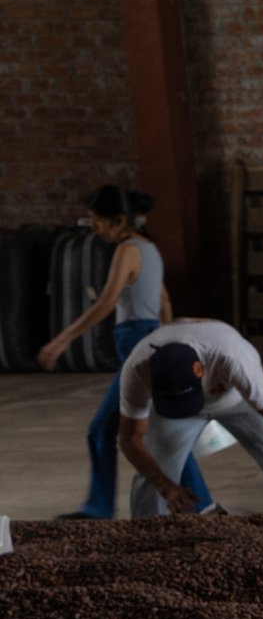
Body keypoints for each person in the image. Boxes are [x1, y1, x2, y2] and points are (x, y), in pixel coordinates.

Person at [38, 185, 212, 519]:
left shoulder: (126, 251)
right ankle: (200, 504)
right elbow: (163, 300)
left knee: (102, 429)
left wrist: (62, 340)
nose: (94, 227)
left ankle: (99, 508)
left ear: (119, 219)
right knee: (160, 430)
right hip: (151, 339)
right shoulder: (150, 249)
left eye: (98, 220)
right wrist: (168, 338)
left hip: (137, 346)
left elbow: (105, 303)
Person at [115, 321, 263, 517]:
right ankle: (145, 535)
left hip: (235, 401)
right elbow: (129, 439)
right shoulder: (137, 369)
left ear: (200, 369)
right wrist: (166, 487)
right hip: (178, 418)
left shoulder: (233, 356)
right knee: (152, 475)